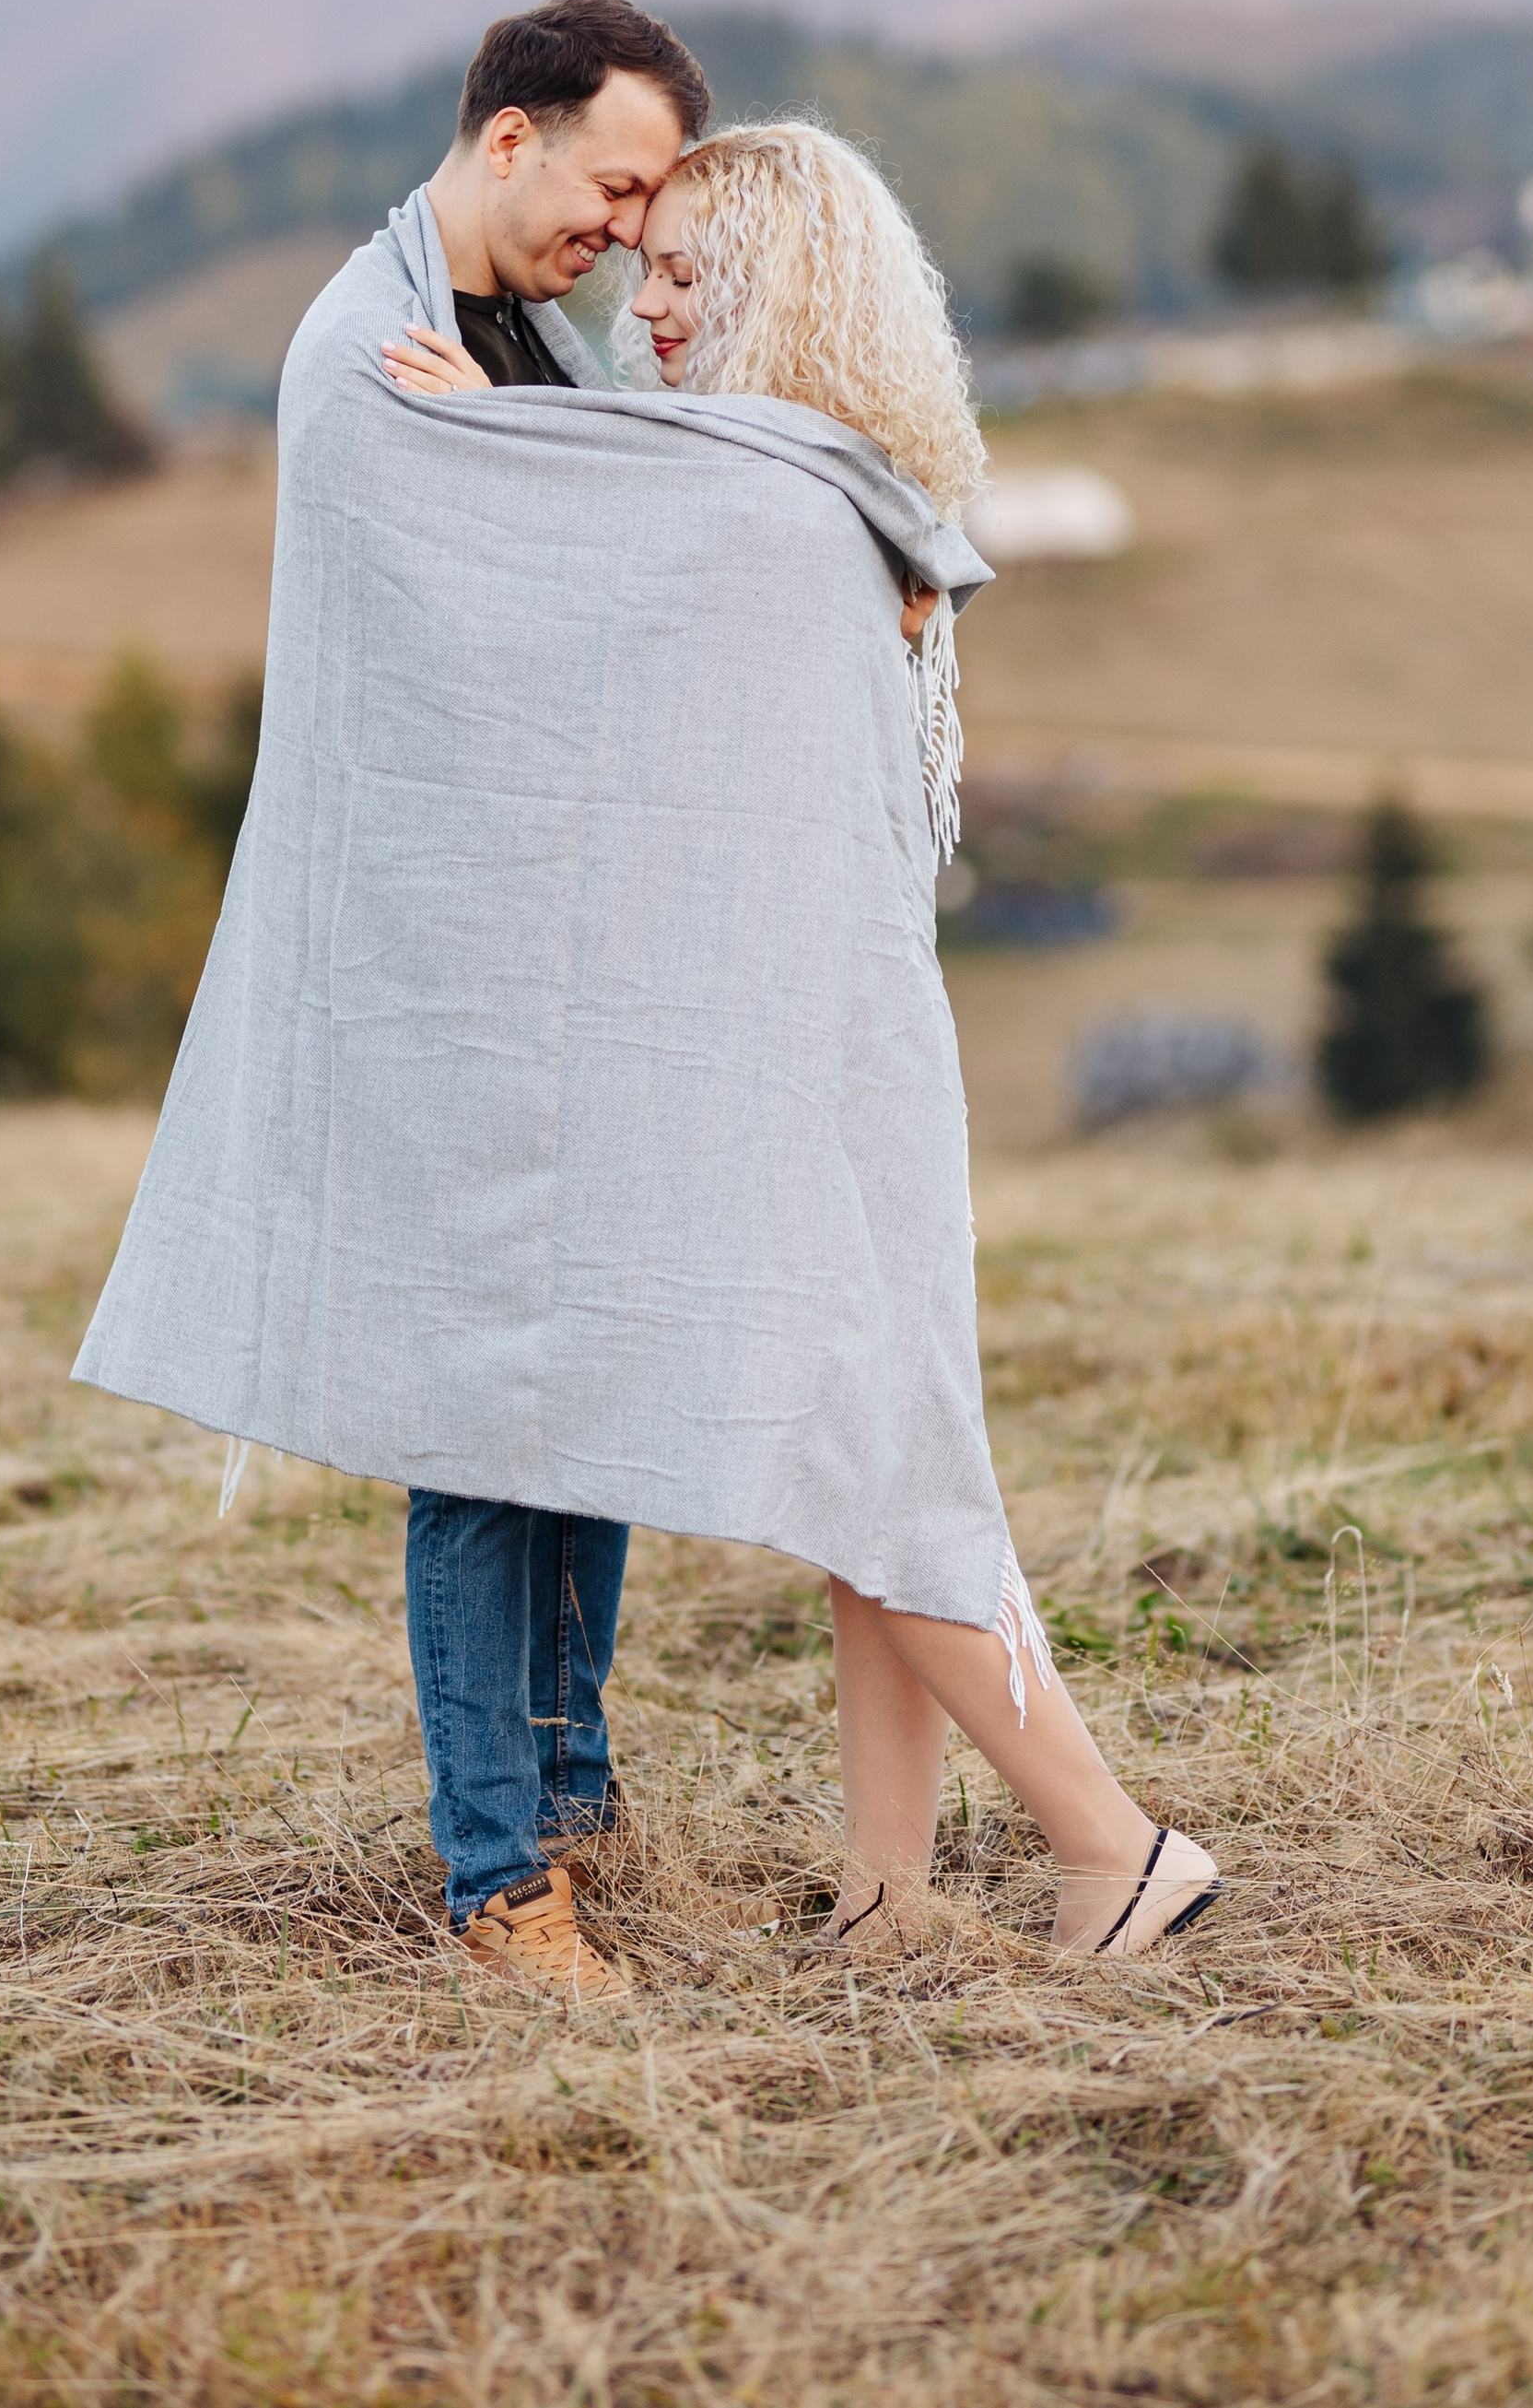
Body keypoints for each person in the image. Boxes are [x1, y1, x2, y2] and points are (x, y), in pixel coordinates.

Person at [383, 123, 1221, 1967]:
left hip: (806, 1072)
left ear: (778, 288)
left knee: (885, 1481)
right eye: (644, 269)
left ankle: (1110, 1847)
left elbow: (586, 587)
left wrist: (472, 435)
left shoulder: (757, 496)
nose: (646, 307)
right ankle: (885, 1890)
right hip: (848, 1054)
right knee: (877, 1475)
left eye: (687, 274)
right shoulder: (833, 471)